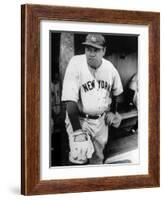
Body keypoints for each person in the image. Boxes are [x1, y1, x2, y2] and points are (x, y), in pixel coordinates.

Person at [62, 34, 123, 165]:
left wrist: (113, 111)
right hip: (80, 119)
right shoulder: (76, 63)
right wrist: (78, 132)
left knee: (98, 159)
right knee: (79, 156)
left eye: (96, 50)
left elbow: (117, 91)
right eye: (88, 49)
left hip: (101, 122)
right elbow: (69, 100)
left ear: (104, 51)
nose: (91, 53)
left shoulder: (110, 68)